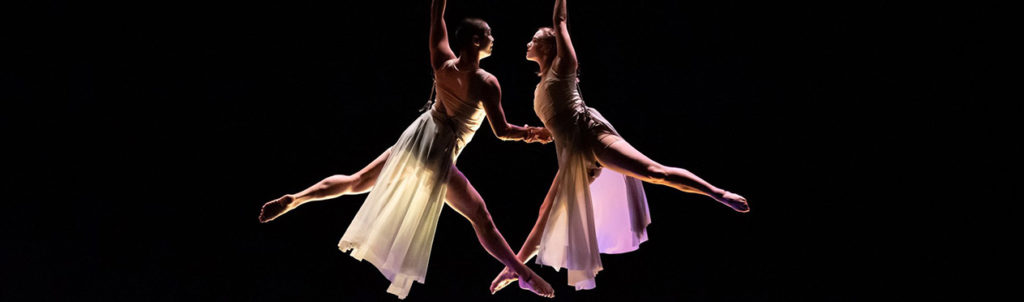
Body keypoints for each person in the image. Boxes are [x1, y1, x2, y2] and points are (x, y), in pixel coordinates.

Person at [258, 0, 556, 298]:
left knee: (356, 182)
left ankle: (297, 198)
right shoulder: (486, 82)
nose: (494, 38)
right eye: (489, 34)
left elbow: (436, 16)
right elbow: (502, 131)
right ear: (476, 41)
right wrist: (536, 133)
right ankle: (524, 273)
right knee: (482, 218)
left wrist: (438, 7)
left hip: (416, 138)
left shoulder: (441, 61)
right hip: (437, 152)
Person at [489, 0, 750, 294]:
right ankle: (515, 270)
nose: (528, 43)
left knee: (654, 172)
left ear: (548, 47)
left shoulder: (564, 66)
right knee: (546, 212)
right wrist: (538, 132)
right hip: (572, 155)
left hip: (592, 136)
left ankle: (718, 193)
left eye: (534, 40)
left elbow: (560, 21)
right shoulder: (541, 85)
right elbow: (555, 119)